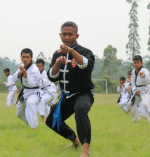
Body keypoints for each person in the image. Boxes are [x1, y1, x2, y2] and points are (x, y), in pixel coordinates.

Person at [45, 21, 95, 157]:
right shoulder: (57, 54)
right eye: (64, 34)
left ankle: (85, 150)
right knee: (50, 121)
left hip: (83, 94)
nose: (67, 37)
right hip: (66, 96)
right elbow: (52, 76)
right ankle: (75, 140)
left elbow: (87, 66)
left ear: (77, 35)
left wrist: (72, 52)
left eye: (70, 34)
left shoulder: (85, 52)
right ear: (60, 35)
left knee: (80, 108)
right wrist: (57, 63)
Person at [13, 48, 41, 130]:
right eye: (23, 57)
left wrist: (25, 73)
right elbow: (14, 79)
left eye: (27, 57)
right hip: (25, 92)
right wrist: (20, 72)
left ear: (31, 58)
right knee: (19, 114)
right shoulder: (21, 66)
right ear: (21, 57)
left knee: (30, 102)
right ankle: (31, 124)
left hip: (34, 92)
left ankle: (33, 128)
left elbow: (31, 83)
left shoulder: (34, 69)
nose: (25, 59)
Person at [127, 55, 150, 124]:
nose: (136, 64)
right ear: (133, 63)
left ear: (141, 63)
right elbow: (132, 83)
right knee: (130, 104)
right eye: (134, 62)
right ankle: (136, 119)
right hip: (138, 91)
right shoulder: (133, 72)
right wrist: (136, 91)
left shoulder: (145, 71)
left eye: (138, 62)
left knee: (145, 104)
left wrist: (143, 75)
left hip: (146, 90)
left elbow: (148, 81)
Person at [36, 58, 57, 122]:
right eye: (37, 66)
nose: (38, 68)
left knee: (42, 101)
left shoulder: (45, 74)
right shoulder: (36, 73)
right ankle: (48, 120)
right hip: (43, 93)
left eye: (40, 66)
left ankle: (42, 120)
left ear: (43, 66)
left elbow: (44, 82)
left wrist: (38, 77)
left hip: (49, 92)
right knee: (43, 105)